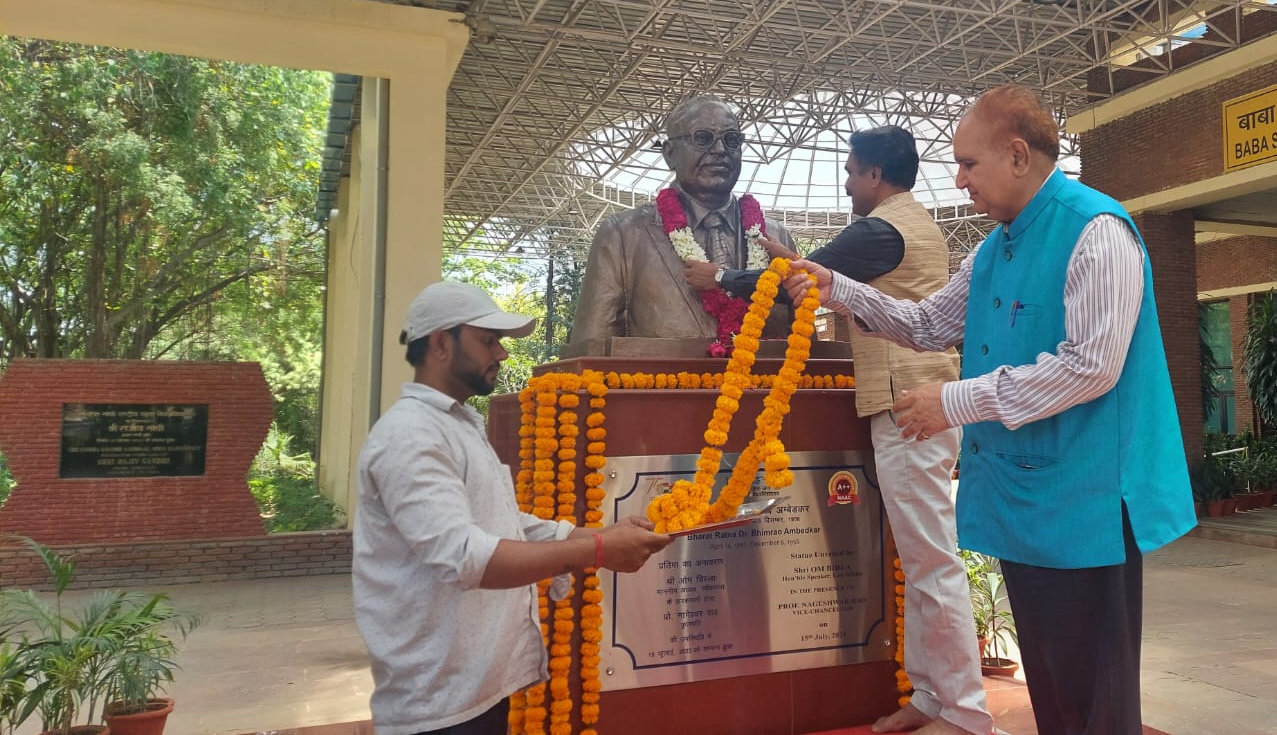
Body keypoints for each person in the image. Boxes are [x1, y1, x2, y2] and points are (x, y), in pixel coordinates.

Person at [782, 86, 1196, 735]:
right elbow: (927, 323)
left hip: (1086, 501)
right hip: (1023, 496)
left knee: (1097, 699)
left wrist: (954, 400)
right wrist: (839, 288)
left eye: (969, 163)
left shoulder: (1097, 230)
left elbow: (1091, 365)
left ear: (1017, 156)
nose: (959, 179)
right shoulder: (996, 246)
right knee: (1053, 690)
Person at [687, 126, 993, 735]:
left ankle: (965, 712)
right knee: (919, 561)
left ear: (876, 174)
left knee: (932, 564)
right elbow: (821, 274)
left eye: (852, 172)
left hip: (909, 408)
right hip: (906, 402)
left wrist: (718, 277)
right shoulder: (911, 224)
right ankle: (932, 697)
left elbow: (802, 282)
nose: (848, 185)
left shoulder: (881, 230)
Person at [353, 280, 673, 735]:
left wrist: (596, 536)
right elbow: (466, 556)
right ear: (440, 344)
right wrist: (599, 550)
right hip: (438, 707)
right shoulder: (411, 435)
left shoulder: (456, 425)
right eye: (488, 340)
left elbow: (500, 523)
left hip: (476, 690)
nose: (501, 353)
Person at [570, 96, 800, 348]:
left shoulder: (776, 238)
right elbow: (591, 348)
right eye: (703, 138)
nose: (720, 150)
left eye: (732, 140)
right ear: (670, 154)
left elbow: (805, 345)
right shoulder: (623, 235)